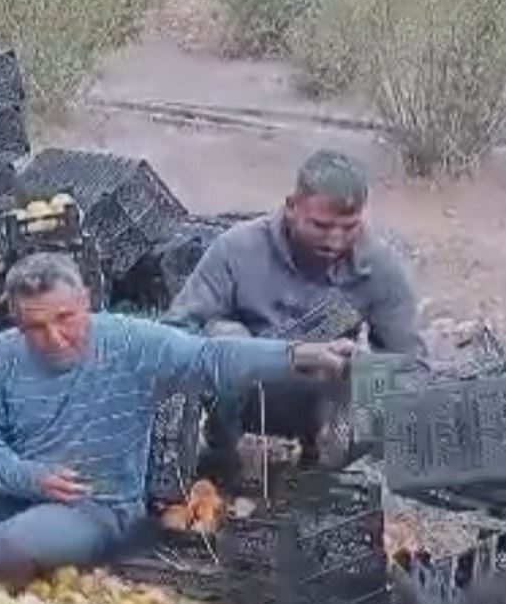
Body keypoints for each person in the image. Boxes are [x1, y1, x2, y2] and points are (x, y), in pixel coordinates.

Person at [0, 252, 352, 583]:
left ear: (85, 301)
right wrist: (29, 476)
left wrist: (298, 354)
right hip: (16, 488)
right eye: (35, 326)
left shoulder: (129, 343)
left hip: (94, 508)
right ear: (16, 321)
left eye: (65, 318)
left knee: (15, 545)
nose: (54, 337)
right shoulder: (3, 354)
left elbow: (211, 357)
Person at [164, 150, 422, 478]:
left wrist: (359, 369)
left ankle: (323, 473)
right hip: (244, 395)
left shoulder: (380, 265)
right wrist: (257, 354)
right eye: (321, 226)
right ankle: (223, 458)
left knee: (379, 378)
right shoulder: (238, 248)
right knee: (224, 336)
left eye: (349, 227)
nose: (335, 240)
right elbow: (175, 331)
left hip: (324, 401)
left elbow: (410, 364)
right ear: (291, 207)